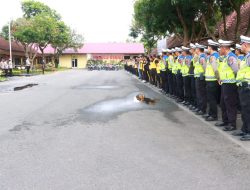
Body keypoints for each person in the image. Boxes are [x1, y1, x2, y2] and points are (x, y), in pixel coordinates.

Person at [215, 39, 239, 131]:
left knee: (230, 104)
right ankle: (225, 121)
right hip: (225, 83)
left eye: (220, 48)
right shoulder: (226, 57)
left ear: (224, 48)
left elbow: (236, 70)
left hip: (230, 84)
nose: (219, 50)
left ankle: (232, 124)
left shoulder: (231, 57)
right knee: (223, 103)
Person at [233, 35, 250, 140]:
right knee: (244, 109)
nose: (240, 47)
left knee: (248, 110)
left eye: (241, 45)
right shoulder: (246, 56)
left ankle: (249, 131)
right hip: (243, 86)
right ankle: (245, 129)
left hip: (247, 87)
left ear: (245, 44)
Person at [204, 39, 220, 121]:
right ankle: (211, 113)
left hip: (212, 81)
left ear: (210, 48)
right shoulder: (213, 56)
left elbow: (215, 69)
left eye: (208, 47)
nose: (207, 48)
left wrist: (218, 79)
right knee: (210, 98)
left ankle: (213, 115)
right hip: (210, 80)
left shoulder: (214, 56)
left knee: (212, 99)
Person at [194, 43, 207, 115]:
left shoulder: (202, 57)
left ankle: (202, 109)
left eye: (196, 49)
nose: (195, 50)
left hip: (201, 77)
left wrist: (203, 75)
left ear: (198, 49)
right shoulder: (199, 56)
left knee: (201, 94)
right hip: (198, 77)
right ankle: (200, 108)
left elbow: (204, 67)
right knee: (199, 93)